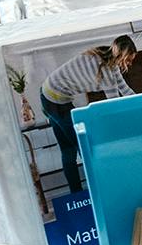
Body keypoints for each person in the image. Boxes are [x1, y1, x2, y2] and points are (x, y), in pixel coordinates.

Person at [38, 35, 137, 192]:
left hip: (49, 94)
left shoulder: (105, 56)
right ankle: (94, 191)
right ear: (121, 55)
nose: (130, 64)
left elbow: (125, 90)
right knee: (83, 147)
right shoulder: (106, 72)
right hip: (55, 100)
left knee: (68, 150)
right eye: (128, 60)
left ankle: (76, 193)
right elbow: (114, 104)